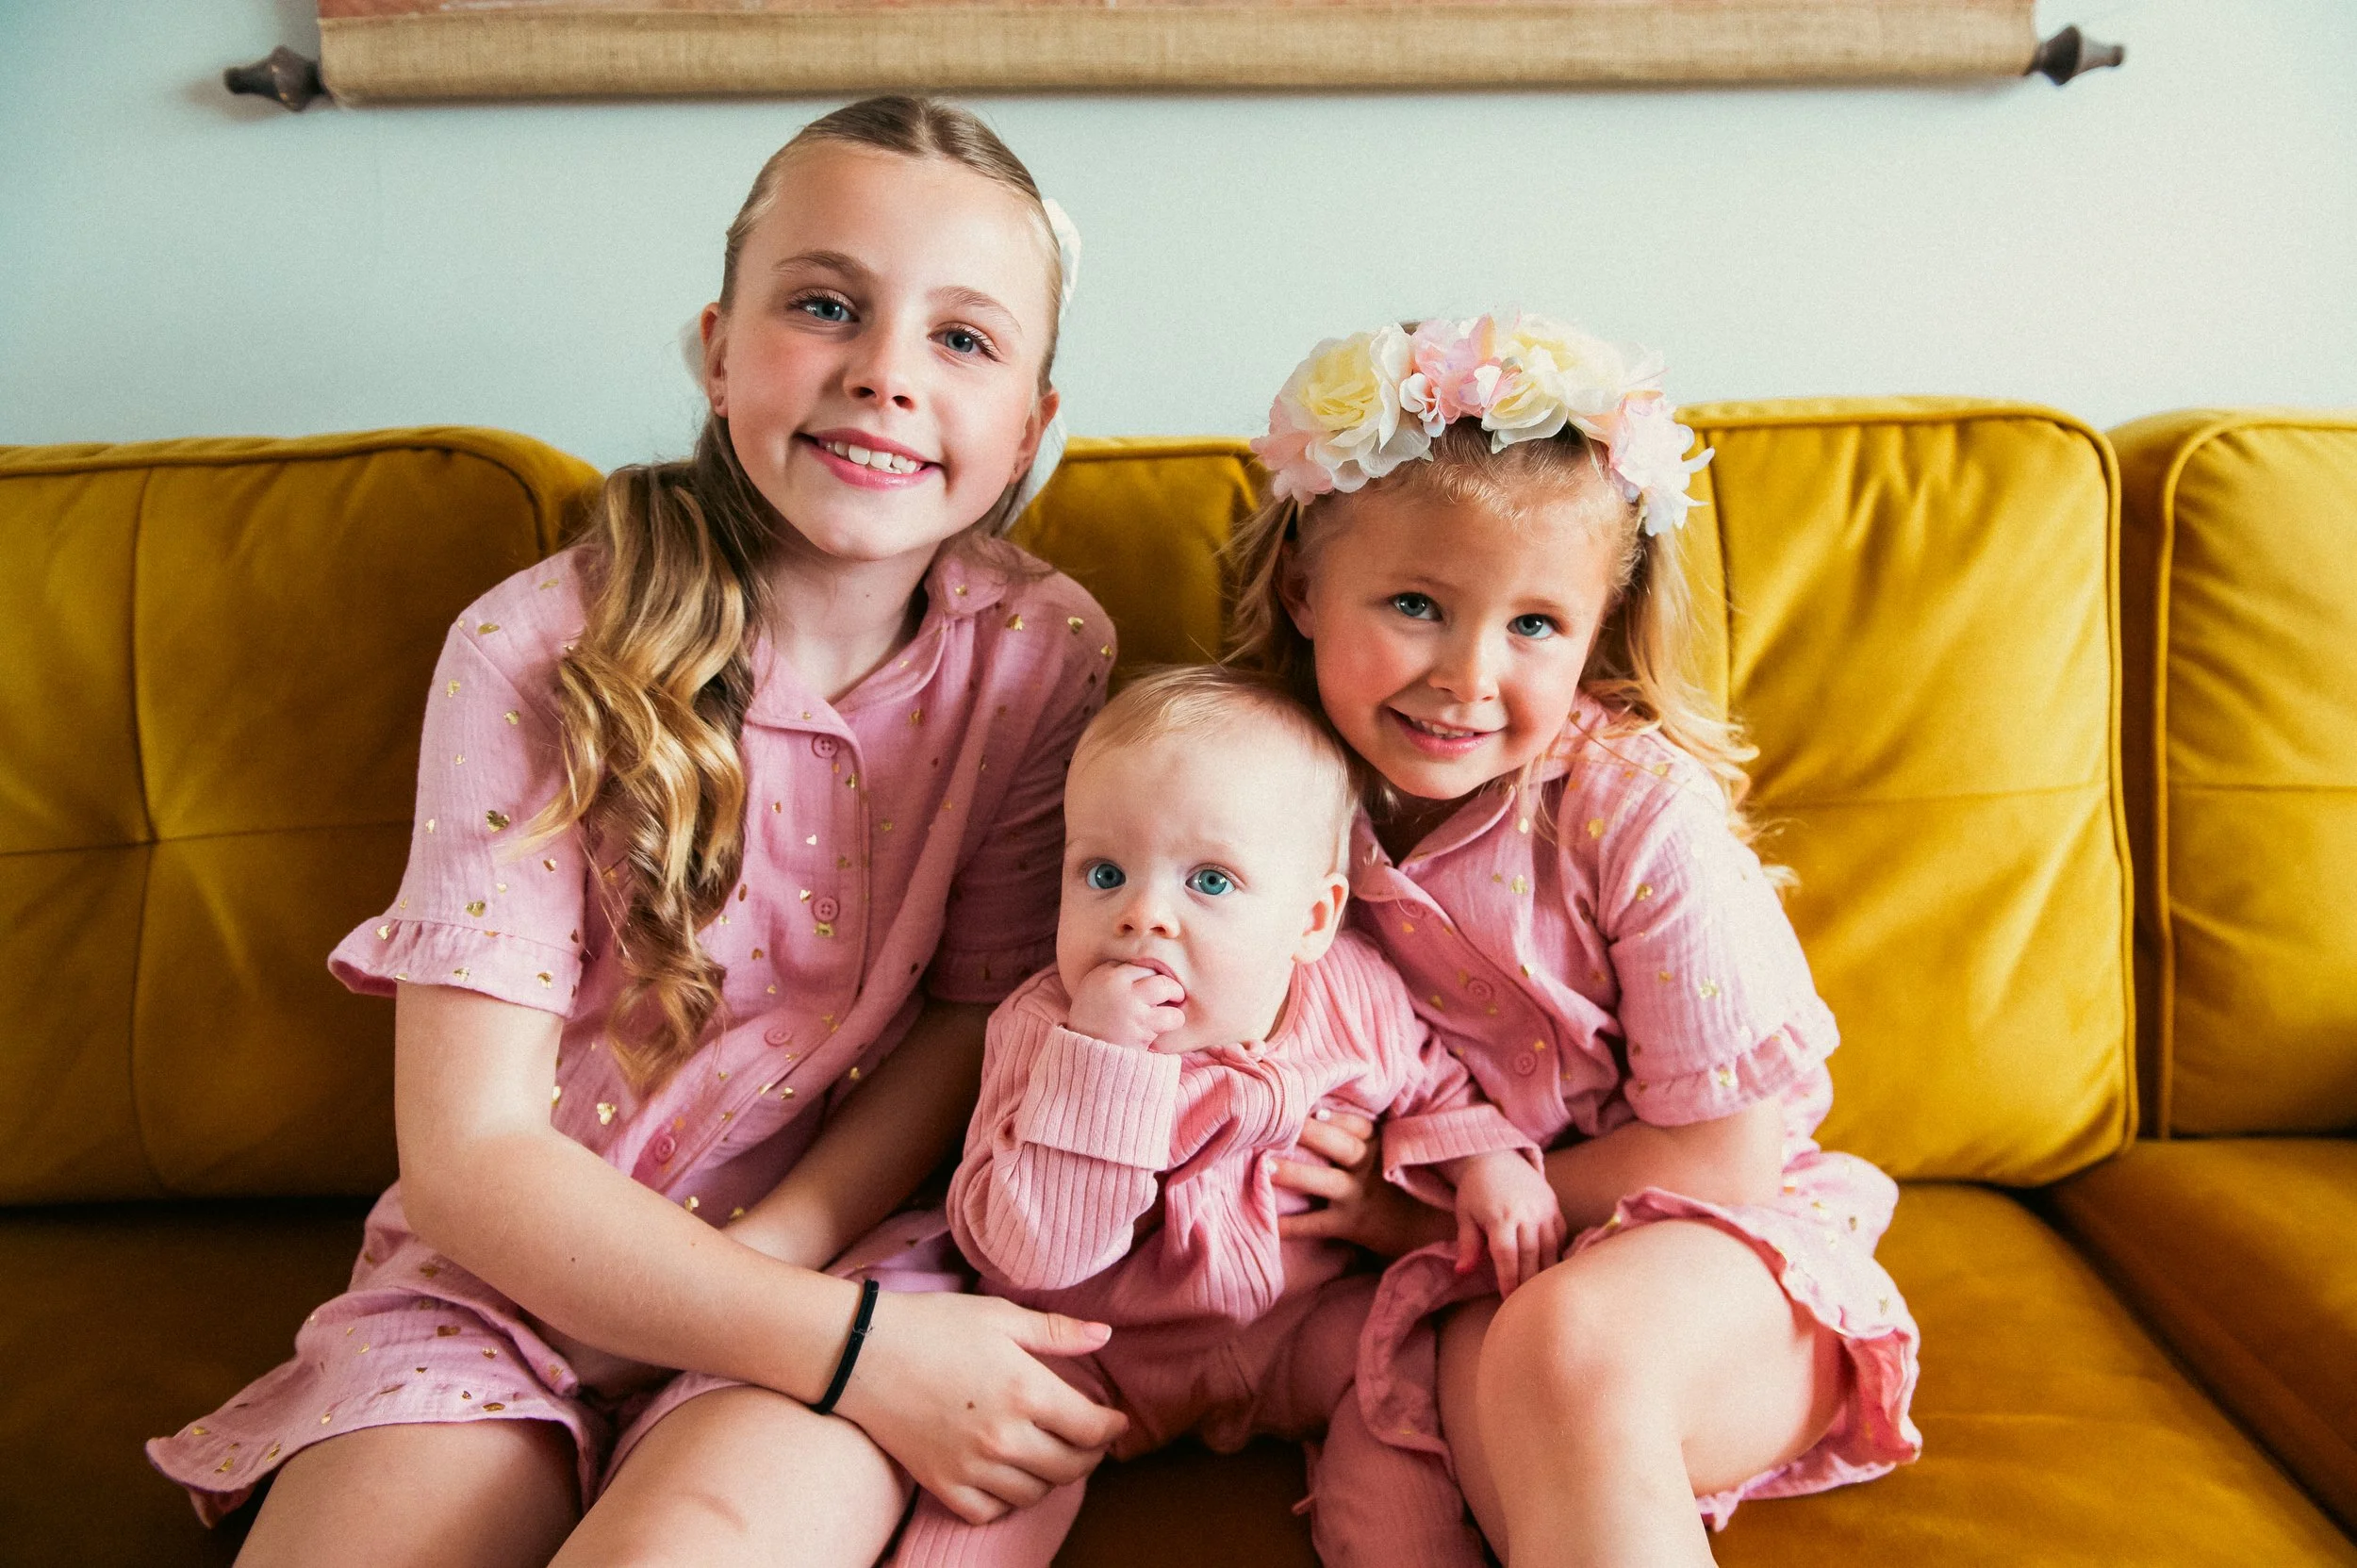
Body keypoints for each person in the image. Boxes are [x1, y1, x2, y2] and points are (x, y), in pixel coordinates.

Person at [148, 96, 1133, 1568]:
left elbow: (974, 1007)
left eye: (965, 340)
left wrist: (795, 1269)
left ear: (1035, 427)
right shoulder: (539, 645)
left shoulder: (1044, 652)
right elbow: (473, 1155)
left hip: (852, 1258)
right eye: (823, 305)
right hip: (507, 1280)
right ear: (719, 347)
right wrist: (825, 1336)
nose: (882, 375)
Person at [1234, 313, 1923, 1566]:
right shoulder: (1263, 797)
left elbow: (1727, 1153)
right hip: (1482, 1286)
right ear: (1302, 588)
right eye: (1414, 604)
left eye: (1534, 626)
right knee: (1472, 1451)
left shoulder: (1633, 811)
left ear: (1598, 628)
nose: (1468, 675)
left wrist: (1431, 1221)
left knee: (1560, 1347)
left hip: (1722, 1262)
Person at [892, 666, 1558, 1568]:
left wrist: (1489, 1164)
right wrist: (1105, 1063)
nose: (1142, 915)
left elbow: (1433, 1082)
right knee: (994, 1461)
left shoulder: (1352, 994)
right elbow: (1024, 1250)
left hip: (1295, 1322)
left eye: (1209, 879)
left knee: (1390, 1379)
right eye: (1103, 871)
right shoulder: (1044, 1028)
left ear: (1313, 917)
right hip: (1094, 1344)